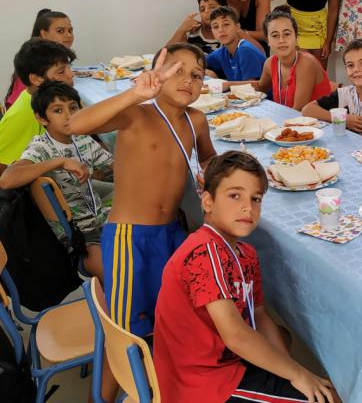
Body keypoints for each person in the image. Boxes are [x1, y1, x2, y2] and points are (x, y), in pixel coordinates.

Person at [154, 151, 338, 403]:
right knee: (329, 398)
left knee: (284, 341)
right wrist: (297, 374)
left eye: (256, 198)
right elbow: (236, 336)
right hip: (202, 384)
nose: (247, 207)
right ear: (207, 201)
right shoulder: (204, 252)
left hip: (227, 363)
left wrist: (293, 373)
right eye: (234, 195)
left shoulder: (245, 253)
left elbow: (260, 318)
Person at [69, 42, 216, 337]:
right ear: (156, 75)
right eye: (177, 71)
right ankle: (108, 384)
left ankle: (159, 378)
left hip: (173, 232)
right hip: (129, 238)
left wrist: (213, 174)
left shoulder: (196, 120)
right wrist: (135, 94)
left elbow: (208, 157)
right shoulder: (136, 115)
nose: (188, 80)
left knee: (170, 317)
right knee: (126, 332)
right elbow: (76, 123)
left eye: (197, 75)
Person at [0, 81, 113, 280]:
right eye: (58, 110)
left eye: (73, 107)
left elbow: (115, 167)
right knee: (115, 274)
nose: (69, 115)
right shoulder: (41, 147)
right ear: (41, 118)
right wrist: (59, 161)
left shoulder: (83, 140)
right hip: (80, 235)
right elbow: (7, 180)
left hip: (101, 217)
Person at [229, 7, 331, 110]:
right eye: (275, 35)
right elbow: (260, 87)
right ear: (268, 40)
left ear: (296, 37)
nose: (281, 40)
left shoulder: (306, 63)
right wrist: (226, 85)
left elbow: (298, 111)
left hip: (315, 124)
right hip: (289, 120)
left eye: (287, 34)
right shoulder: (270, 63)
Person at [0, 39, 75, 175]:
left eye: (69, 67)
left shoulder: (43, 101)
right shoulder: (22, 115)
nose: (71, 74)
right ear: (36, 79)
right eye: (61, 71)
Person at [4, 9, 74, 109]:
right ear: (44, 34)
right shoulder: (33, 63)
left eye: (70, 30)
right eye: (60, 31)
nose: (68, 35)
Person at [205, 6, 265, 81]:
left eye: (226, 24)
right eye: (215, 26)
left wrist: (220, 83)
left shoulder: (245, 50)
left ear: (237, 27)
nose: (220, 30)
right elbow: (198, 61)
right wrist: (204, 72)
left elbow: (250, 89)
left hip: (257, 92)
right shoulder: (222, 52)